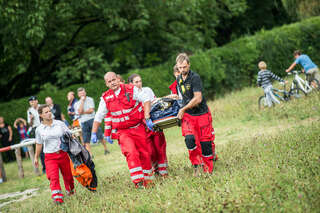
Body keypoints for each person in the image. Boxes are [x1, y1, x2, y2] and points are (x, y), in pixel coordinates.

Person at [91, 72, 154, 188]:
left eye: (114, 79)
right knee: (131, 152)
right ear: (106, 84)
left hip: (137, 127)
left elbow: (146, 100)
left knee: (144, 153)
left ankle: (149, 180)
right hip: (123, 132)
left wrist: (147, 116)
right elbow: (99, 116)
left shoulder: (131, 89)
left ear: (118, 79)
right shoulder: (105, 98)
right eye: (109, 81)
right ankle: (138, 182)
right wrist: (94, 132)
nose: (112, 82)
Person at [176, 53, 217, 176]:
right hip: (189, 116)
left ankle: (208, 169)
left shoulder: (195, 78)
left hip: (202, 114)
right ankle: (196, 165)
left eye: (184, 67)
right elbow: (183, 97)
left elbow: (198, 98)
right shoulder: (178, 79)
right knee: (189, 140)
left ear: (189, 65)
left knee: (205, 143)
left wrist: (183, 109)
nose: (182, 70)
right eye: (180, 68)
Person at [129, 73, 168, 177]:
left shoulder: (147, 90)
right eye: (136, 82)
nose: (139, 84)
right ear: (131, 84)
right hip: (142, 127)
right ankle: (155, 169)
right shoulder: (130, 96)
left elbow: (155, 102)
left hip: (153, 123)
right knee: (150, 151)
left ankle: (163, 171)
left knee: (160, 147)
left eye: (140, 81)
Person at [34, 104, 74, 204]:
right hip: (50, 157)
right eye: (46, 112)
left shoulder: (59, 123)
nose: (49, 114)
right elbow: (39, 144)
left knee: (68, 176)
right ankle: (57, 197)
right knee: (53, 177)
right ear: (41, 115)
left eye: (49, 111)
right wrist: (36, 157)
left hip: (63, 153)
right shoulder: (39, 129)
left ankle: (71, 192)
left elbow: (70, 135)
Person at [74, 87, 109, 155]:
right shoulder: (77, 104)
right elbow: (79, 111)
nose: (82, 95)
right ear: (78, 95)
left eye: (83, 93)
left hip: (92, 120)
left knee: (99, 135)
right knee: (86, 139)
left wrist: (82, 112)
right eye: (80, 94)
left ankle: (106, 149)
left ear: (85, 93)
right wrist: (82, 102)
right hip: (83, 122)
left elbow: (91, 110)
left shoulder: (90, 99)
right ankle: (90, 154)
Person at [27, 96, 46, 173]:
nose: (33, 102)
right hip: (36, 129)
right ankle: (44, 167)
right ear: (30, 103)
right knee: (40, 148)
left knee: (48, 145)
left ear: (37, 101)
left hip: (44, 126)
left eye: (34, 101)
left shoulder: (42, 107)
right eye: (31, 102)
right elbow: (30, 124)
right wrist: (31, 118)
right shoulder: (29, 111)